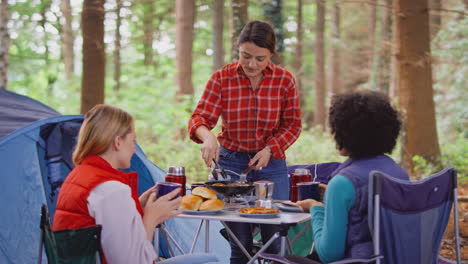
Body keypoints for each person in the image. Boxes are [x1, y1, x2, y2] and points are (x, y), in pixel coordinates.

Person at [188, 20, 302, 263]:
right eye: (245, 56)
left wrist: (271, 148)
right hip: (231, 166)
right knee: (240, 246)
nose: (251, 64)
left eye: (260, 58)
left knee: (275, 245)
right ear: (238, 48)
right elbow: (199, 118)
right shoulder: (222, 78)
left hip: (271, 166)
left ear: (272, 54)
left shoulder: (285, 80)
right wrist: (207, 136)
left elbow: (293, 124)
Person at [53, 104, 220, 264]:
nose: (134, 150)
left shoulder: (80, 175)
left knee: (206, 259)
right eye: (132, 141)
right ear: (118, 142)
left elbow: (107, 227)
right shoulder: (111, 189)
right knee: (212, 261)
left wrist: (138, 205)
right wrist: (151, 218)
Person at [296, 90, 409, 263]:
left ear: (345, 133)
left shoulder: (342, 183)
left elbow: (329, 255)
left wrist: (316, 207)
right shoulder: (398, 172)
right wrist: (332, 197)